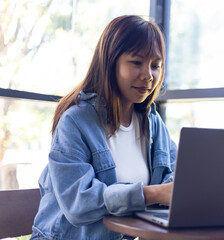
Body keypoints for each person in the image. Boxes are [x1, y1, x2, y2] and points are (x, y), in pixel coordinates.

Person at [30, 15, 176, 240]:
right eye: (137, 62)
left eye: (155, 65)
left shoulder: (152, 124)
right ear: (110, 62)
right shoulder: (76, 121)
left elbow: (174, 174)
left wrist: (179, 189)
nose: (149, 75)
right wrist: (154, 193)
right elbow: (79, 201)